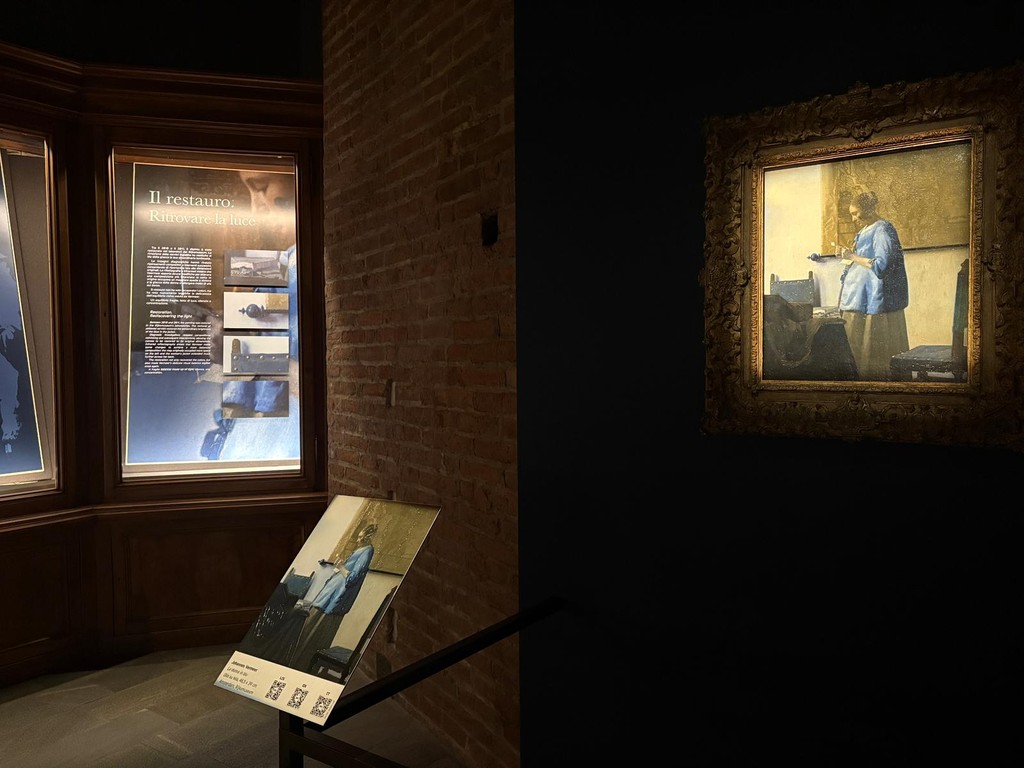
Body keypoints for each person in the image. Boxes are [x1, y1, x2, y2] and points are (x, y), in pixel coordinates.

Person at [833, 190, 910, 380]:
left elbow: (882, 265)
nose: (853, 219)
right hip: (858, 298)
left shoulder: (883, 229)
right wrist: (848, 255)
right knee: (857, 350)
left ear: (868, 209)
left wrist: (852, 256)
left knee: (874, 352)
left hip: (874, 299)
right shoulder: (865, 230)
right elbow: (863, 257)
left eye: (855, 213)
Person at [291, 522, 378, 672]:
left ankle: (302, 669)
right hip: (326, 598)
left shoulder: (367, 551)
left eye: (361, 538)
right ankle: (297, 667)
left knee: (314, 638)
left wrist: (341, 566)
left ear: (368, 537)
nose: (358, 540)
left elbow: (352, 579)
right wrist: (339, 566)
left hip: (333, 601)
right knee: (306, 635)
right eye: (358, 537)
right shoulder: (362, 550)